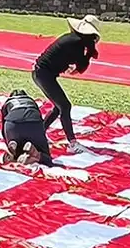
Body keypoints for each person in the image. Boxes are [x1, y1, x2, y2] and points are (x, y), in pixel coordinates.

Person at [31, 15, 101, 154]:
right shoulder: (76, 44)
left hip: (42, 73)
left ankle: (40, 134)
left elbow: (74, 65)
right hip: (43, 74)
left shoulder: (74, 40)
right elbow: (79, 68)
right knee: (65, 105)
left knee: (59, 107)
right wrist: (88, 55)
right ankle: (72, 143)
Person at [1, 89, 53, 166]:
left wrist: (8, 141)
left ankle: (14, 154)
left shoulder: (7, 103)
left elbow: (3, 129)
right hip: (33, 124)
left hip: (12, 124)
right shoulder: (32, 102)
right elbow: (39, 121)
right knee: (47, 159)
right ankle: (35, 154)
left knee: (18, 149)